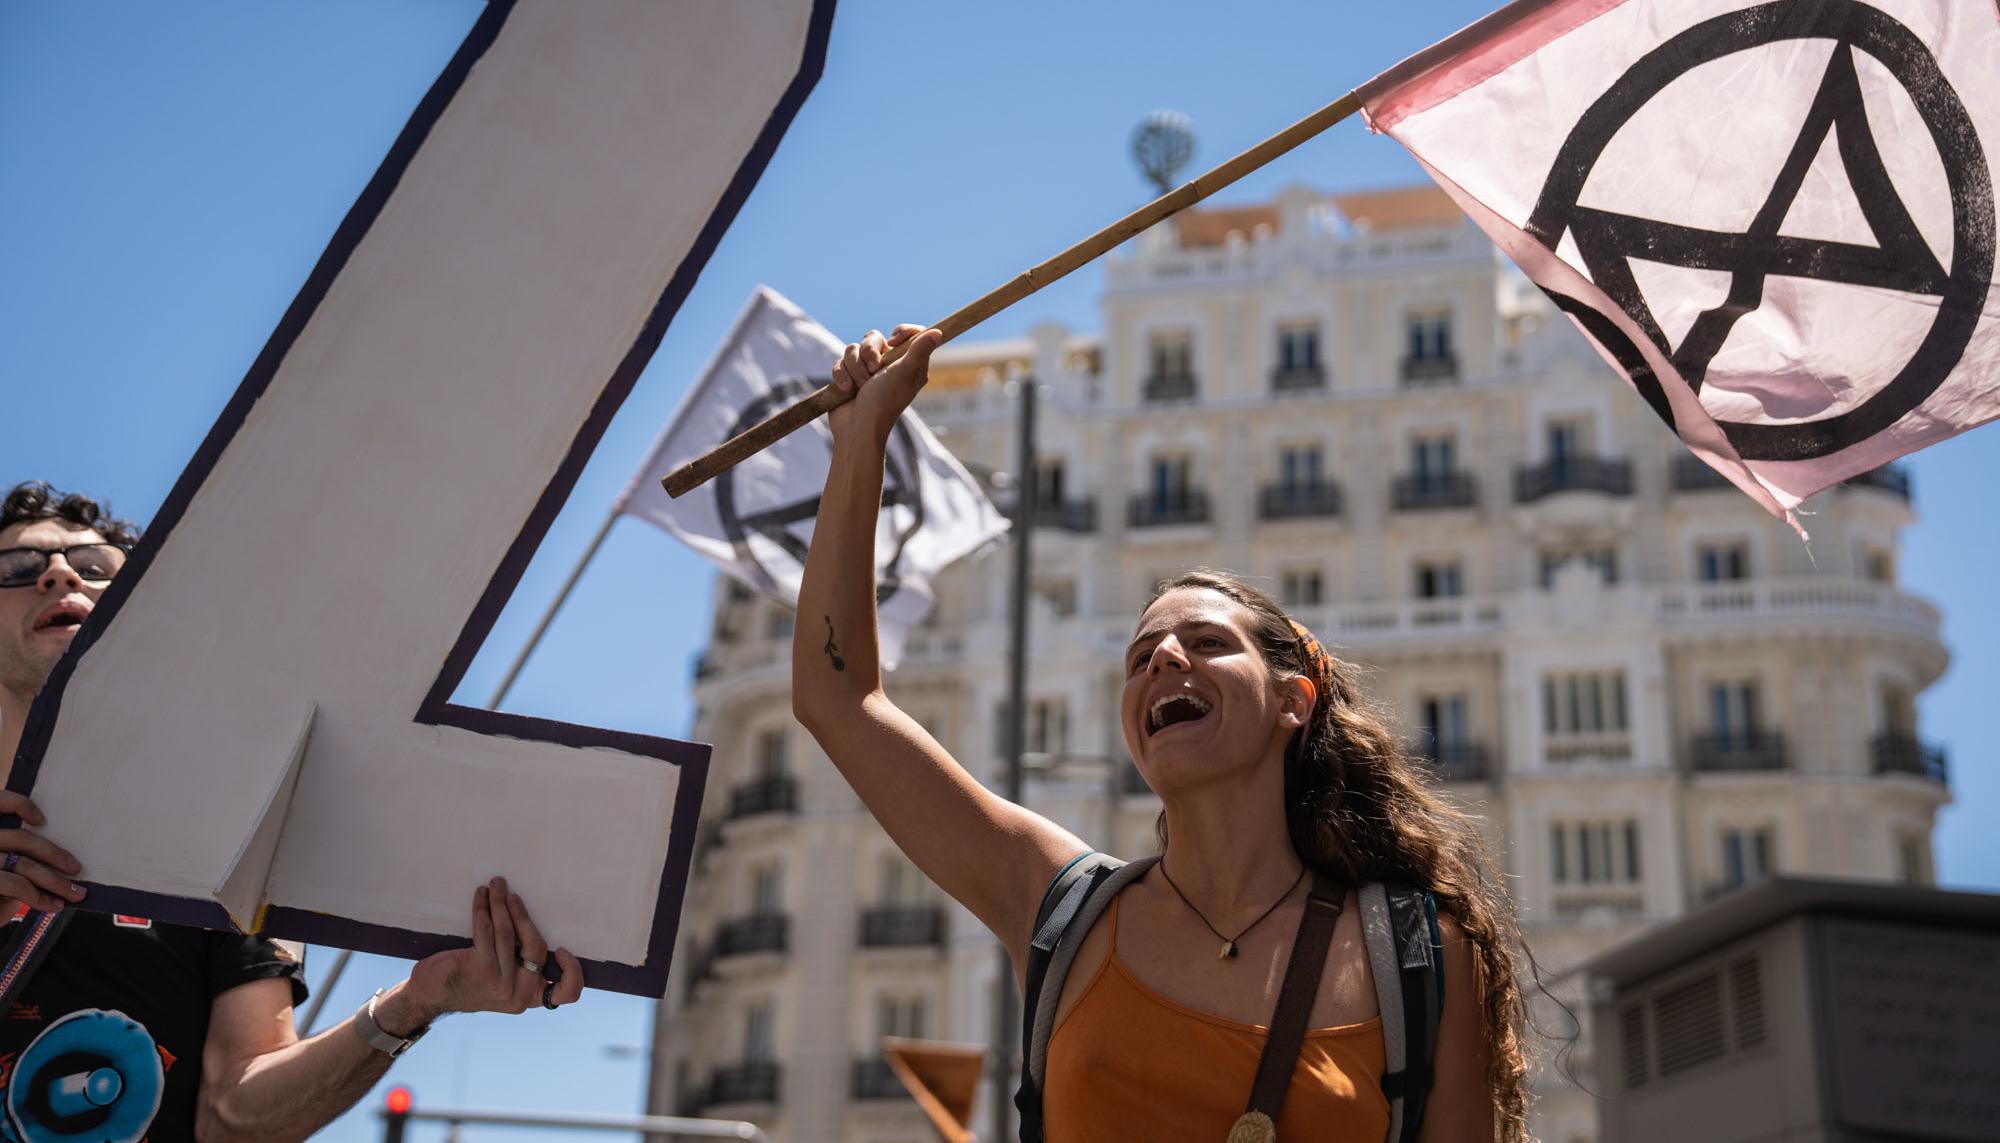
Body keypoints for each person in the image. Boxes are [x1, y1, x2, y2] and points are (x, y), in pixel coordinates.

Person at [791, 327, 1533, 1141]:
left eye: (1208, 642)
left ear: (1295, 701)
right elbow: (839, 698)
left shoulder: (1420, 954)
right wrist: (860, 442)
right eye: (1141, 655)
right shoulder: (1058, 908)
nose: (1164, 657)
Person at [0, 480, 586, 1143]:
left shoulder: (220, 838)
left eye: (95, 566)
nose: (57, 573)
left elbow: (235, 1117)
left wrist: (420, 1001)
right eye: (18, 569)